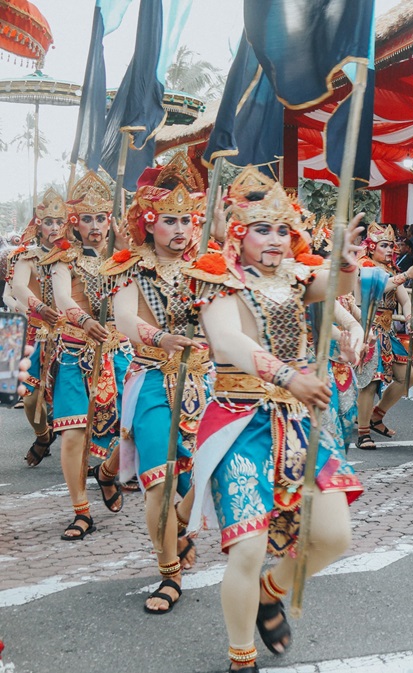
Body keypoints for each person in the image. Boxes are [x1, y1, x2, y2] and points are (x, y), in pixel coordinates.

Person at [186, 168, 364, 672]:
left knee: (333, 535)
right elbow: (227, 343)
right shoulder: (217, 279)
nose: (274, 239)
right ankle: (242, 657)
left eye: (282, 229)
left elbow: (334, 286)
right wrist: (288, 375)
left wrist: (346, 265)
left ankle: (274, 589)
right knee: (248, 547)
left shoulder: (295, 278)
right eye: (262, 229)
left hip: (296, 423)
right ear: (238, 232)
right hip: (239, 424)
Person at [105, 158, 211, 612]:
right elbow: (126, 319)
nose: (181, 229)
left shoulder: (208, 266)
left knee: (202, 475)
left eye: (187, 219)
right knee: (159, 483)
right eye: (170, 219)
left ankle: (175, 524)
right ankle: (168, 573)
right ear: (148, 223)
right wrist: (160, 337)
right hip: (151, 380)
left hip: (203, 386)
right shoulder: (131, 267)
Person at [40, 172, 132, 543]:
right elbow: (63, 298)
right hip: (75, 355)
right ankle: (81, 511)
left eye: (102, 218)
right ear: (75, 223)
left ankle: (107, 473)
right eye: (88, 219)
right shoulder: (64, 258)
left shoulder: (122, 258)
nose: (96, 226)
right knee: (73, 435)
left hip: (118, 354)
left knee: (135, 430)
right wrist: (84, 319)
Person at [8, 192, 65, 467]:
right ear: (39, 225)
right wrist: (40, 308)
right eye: (49, 222)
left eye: (60, 222)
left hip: (71, 336)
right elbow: (18, 286)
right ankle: (43, 436)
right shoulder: (27, 257)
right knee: (30, 399)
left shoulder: (73, 257)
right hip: (36, 332)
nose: (54, 228)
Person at [355, 222, 413, 448]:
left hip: (388, 331)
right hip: (368, 329)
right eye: (384, 245)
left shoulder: (392, 269)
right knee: (369, 382)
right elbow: (377, 287)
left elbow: (405, 299)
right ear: (371, 247)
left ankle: (376, 416)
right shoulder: (364, 266)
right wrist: (405, 275)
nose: (390, 250)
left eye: (391, 245)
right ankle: (363, 433)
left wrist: (409, 318)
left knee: (408, 377)